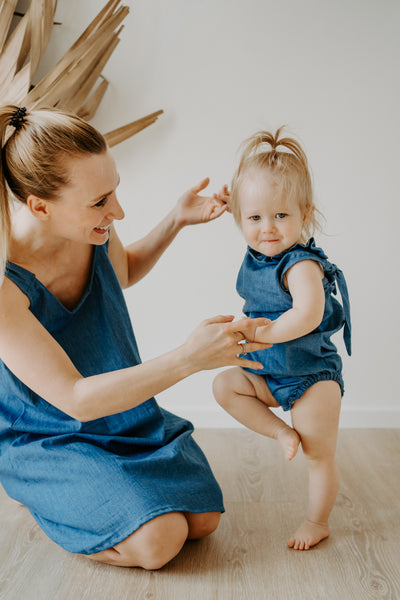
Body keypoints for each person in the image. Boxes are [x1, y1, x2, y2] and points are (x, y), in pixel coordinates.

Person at [0, 105, 270, 569]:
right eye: (100, 201)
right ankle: (41, 493)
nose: (117, 211)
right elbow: (76, 399)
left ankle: (93, 498)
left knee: (203, 520)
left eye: (115, 190)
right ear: (40, 206)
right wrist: (189, 358)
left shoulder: (90, 227)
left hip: (122, 415)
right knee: (159, 542)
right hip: (47, 436)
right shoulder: (5, 289)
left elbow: (121, 271)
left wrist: (176, 219)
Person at [213, 127, 351, 551]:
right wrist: (231, 201)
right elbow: (250, 207)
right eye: (254, 218)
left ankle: (317, 521)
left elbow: (307, 314)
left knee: (318, 455)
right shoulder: (256, 254)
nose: (267, 229)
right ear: (239, 217)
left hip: (311, 377)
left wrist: (265, 332)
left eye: (281, 216)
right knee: (225, 385)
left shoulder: (300, 264)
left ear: (304, 214)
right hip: (268, 373)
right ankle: (279, 433)